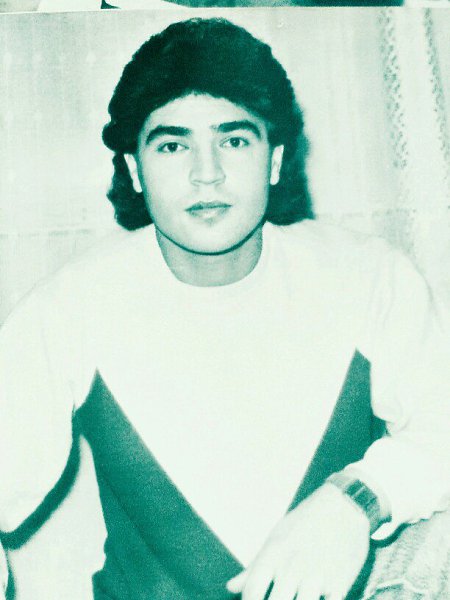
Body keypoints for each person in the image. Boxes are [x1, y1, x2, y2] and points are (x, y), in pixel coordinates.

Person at [1, 17, 449, 600]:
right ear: (134, 169)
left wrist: (359, 497)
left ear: (275, 160)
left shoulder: (371, 278)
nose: (205, 173)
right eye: (172, 145)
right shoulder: (66, 310)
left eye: (234, 140)